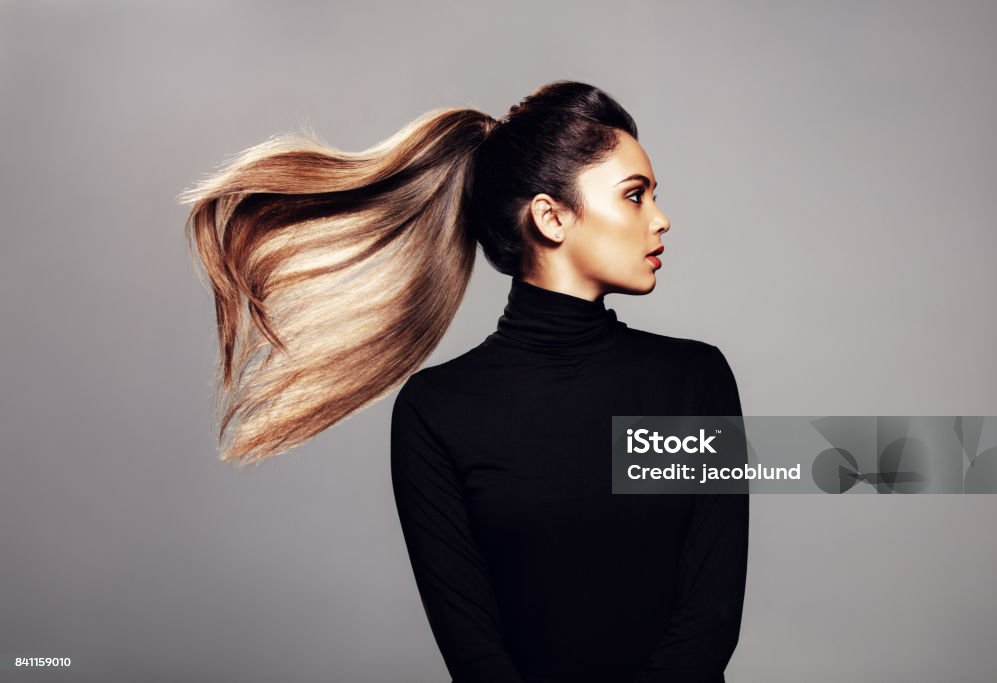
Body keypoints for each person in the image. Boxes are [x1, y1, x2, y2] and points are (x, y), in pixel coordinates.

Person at [180, 80, 748, 683]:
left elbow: (709, 616)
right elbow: (473, 649)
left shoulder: (697, 383)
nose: (661, 219)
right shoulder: (435, 412)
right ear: (551, 217)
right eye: (635, 196)